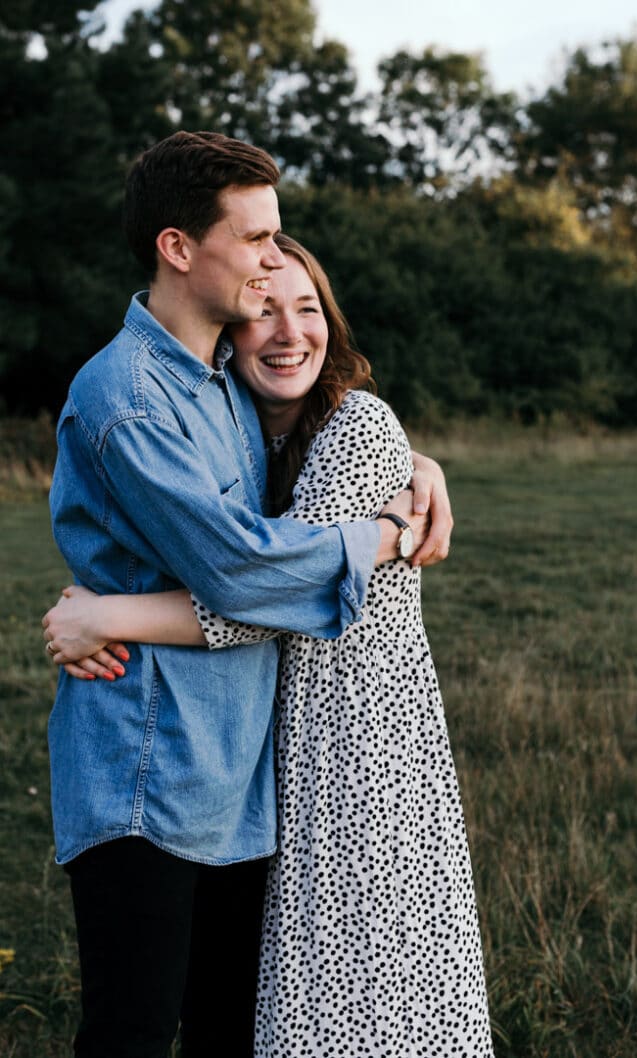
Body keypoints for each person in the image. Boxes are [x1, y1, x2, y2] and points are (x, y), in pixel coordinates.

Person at [45, 132, 452, 1058]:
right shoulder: (128, 398)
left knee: (230, 1029)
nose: (273, 260)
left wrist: (414, 465)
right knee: (134, 1033)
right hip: (148, 766)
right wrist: (385, 536)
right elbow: (241, 568)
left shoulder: (222, 379)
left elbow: (303, 460)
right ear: (179, 249)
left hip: (238, 773)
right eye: (257, 238)